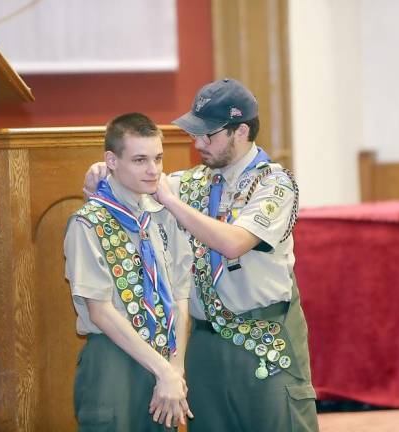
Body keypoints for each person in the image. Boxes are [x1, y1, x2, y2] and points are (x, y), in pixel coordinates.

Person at [85, 79, 319, 432]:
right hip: (205, 343)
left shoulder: (275, 183)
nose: (198, 144)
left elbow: (234, 242)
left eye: (208, 135)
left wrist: (172, 202)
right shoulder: (191, 181)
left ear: (241, 131)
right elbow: (126, 196)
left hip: (266, 340)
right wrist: (100, 177)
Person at [65, 113, 194, 431]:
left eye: (158, 158)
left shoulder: (163, 214)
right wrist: (164, 370)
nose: (153, 170)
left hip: (164, 357)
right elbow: (100, 311)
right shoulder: (89, 222)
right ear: (111, 160)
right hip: (114, 358)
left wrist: (174, 369)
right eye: (139, 160)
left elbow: (180, 296)